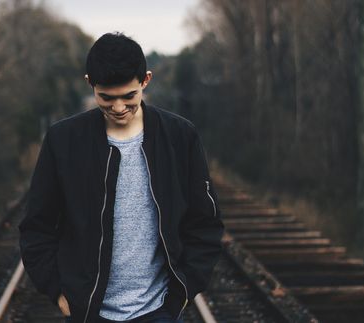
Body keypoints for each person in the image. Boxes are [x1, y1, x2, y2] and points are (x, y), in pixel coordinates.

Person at [19, 32, 224, 323]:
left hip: (158, 312)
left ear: (146, 81)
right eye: (106, 97)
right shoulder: (63, 141)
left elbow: (206, 222)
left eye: (129, 96)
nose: (118, 108)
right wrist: (59, 293)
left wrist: (185, 289)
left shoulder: (179, 136)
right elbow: (36, 226)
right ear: (90, 83)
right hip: (89, 313)